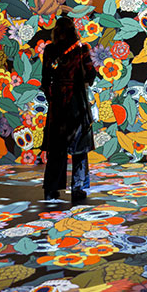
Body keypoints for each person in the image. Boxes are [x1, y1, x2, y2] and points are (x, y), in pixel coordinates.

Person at [41, 17, 96, 202]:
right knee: (80, 147)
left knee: (56, 148)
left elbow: (45, 79)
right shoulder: (82, 49)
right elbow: (91, 73)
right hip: (77, 102)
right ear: (74, 31)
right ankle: (77, 189)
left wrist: (52, 97)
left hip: (58, 104)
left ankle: (51, 189)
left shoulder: (49, 50)